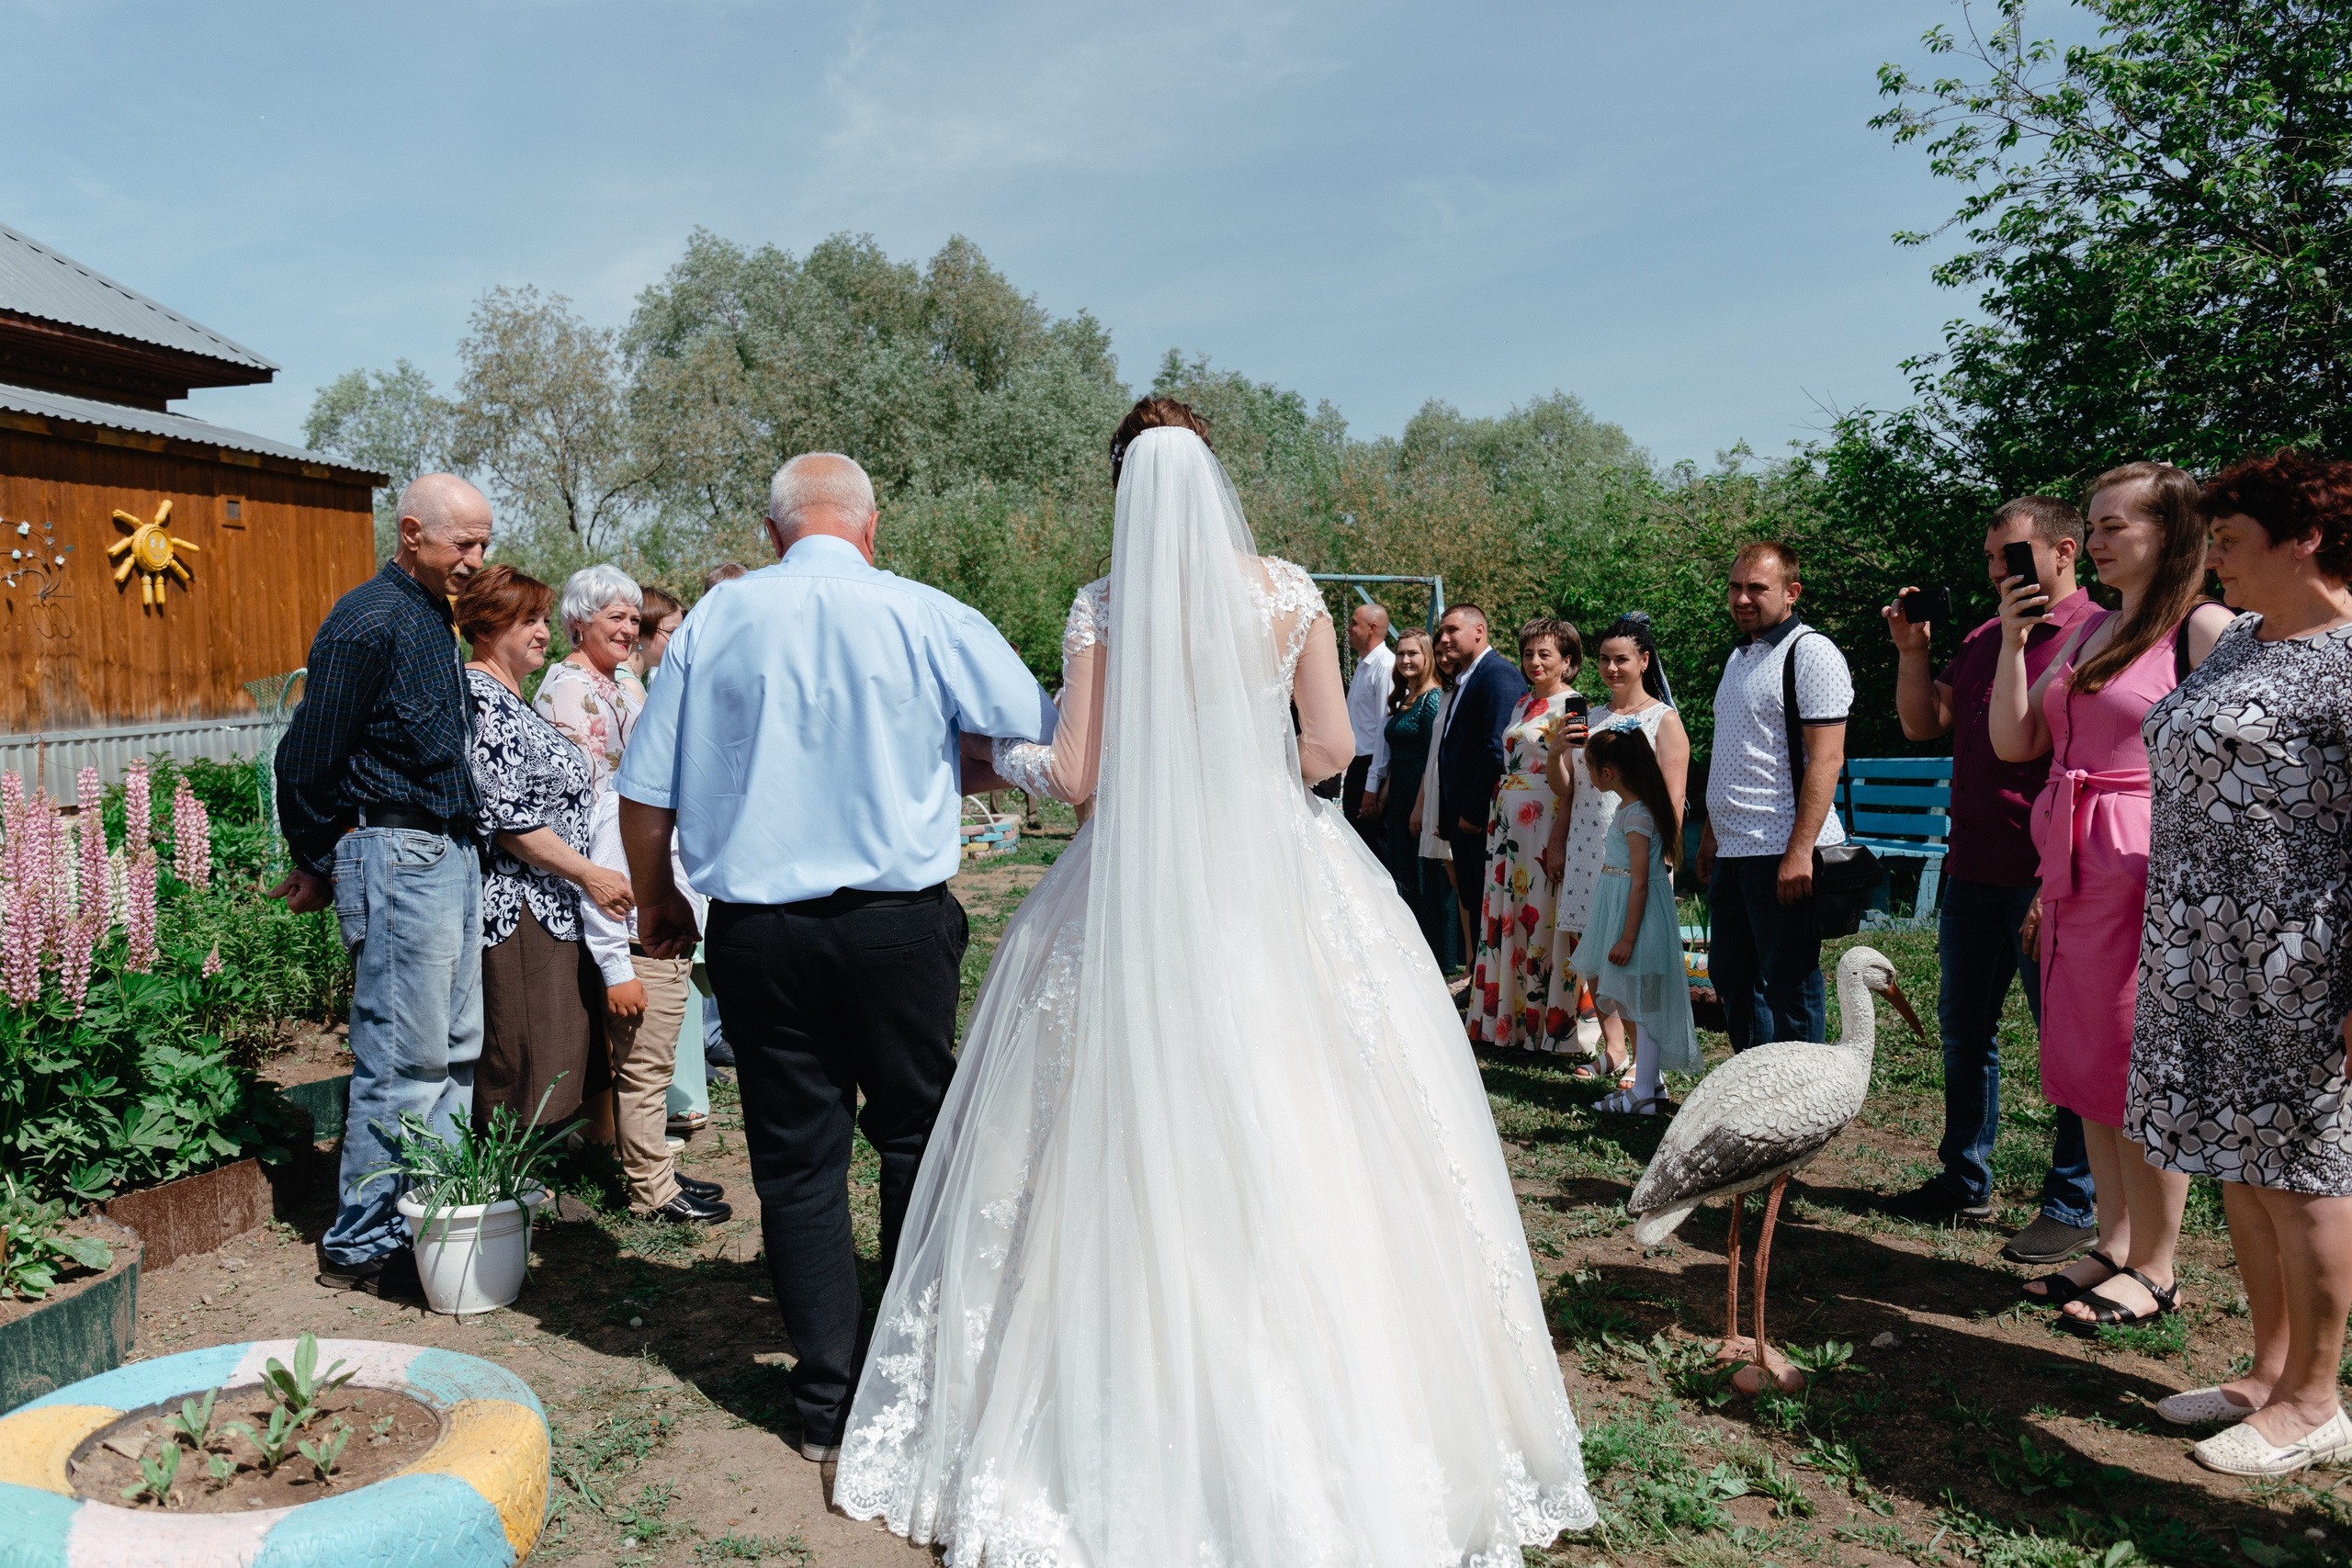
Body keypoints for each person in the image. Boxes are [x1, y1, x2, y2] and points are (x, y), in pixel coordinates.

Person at [831, 401, 1592, 1563]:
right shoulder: (1289, 593)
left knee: (1111, 1121)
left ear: (1125, 486)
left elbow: (1080, 776)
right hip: (1278, 871)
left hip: (1128, 876)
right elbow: (1332, 751)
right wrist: (1235, 776)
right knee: (1325, 1105)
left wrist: (994, 760)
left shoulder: (1103, 601)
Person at [616, 451, 1057, 1461]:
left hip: (762, 932)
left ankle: (825, 1405)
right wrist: (937, 759)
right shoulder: (927, 613)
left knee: (797, 1161)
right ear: (870, 528)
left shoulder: (718, 619)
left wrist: (658, 899)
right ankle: (906, 1386)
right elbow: (1034, 733)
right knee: (913, 1139)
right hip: (897, 922)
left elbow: (646, 790)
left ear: (774, 534)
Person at [2132, 451, 2352, 1474]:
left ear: (2303, 538)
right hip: (2200, 947)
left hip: (2299, 960)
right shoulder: (2240, 644)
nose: (2211, 559)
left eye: (2228, 541)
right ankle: (2266, 1376)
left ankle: (2315, 1401)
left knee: (2304, 1174)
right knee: (2239, 1164)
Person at [1988, 462, 2230, 1328]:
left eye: (2113, 525)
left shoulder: (2204, 628)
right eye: (2090, 525)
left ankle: (2160, 1269)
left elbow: (2235, 771)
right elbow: (2017, 740)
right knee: (2086, 1062)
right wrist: (2016, 645)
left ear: (2170, 534)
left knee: (2142, 1062)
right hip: (2075, 864)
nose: (2094, 541)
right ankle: (2117, 1242)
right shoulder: (2095, 631)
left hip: (2148, 868)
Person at [273, 473, 490, 1301]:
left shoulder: (432, 616)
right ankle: (363, 1242)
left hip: (447, 851)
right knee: (404, 1061)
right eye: (463, 542)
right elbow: (305, 757)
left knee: (454, 1052)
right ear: (410, 532)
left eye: (483, 542)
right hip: (399, 851)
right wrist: (322, 855)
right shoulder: (369, 620)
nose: (476, 558)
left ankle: (430, 1214)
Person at [1872, 499, 2105, 1263]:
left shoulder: (2099, 636)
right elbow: (1922, 723)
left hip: (2049, 874)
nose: (1997, 570)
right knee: (1964, 1031)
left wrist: (2057, 879)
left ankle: (2075, 1200)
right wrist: (1913, 649)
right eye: (1990, 558)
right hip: (1972, 868)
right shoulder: (1982, 638)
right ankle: (1963, 1175)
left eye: (2010, 554)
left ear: (2063, 551)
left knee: (2063, 1043)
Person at [458, 566, 636, 1134]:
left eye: (541, 619)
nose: (542, 632)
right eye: (527, 620)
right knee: (525, 1050)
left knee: (558, 1046)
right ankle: (512, 1188)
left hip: (554, 903)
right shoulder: (481, 697)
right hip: (519, 906)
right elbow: (509, 819)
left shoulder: (512, 698)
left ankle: (547, 1182)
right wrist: (592, 875)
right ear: (487, 629)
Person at [1696, 543, 1852, 1054]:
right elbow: (1733, 752)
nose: (1742, 598)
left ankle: (1804, 1106)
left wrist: (1800, 850)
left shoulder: (1811, 653)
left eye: (1756, 588)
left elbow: (1827, 760)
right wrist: (1712, 835)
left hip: (1781, 848)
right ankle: (1757, 1090)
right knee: (1732, 976)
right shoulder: (1740, 656)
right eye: (1735, 587)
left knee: (1790, 985)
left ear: (1791, 592)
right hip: (1736, 850)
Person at [1542, 613, 1688, 1075]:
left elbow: (1674, 797)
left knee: (1634, 956)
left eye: (1621, 659)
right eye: (1604, 659)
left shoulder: (1663, 720)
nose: (1611, 668)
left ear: (1644, 661)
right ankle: (1615, 1050)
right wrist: (1557, 753)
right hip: (1587, 846)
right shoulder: (1590, 717)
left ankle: (1648, 1064)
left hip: (1635, 854)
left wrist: (1667, 857)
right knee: (1592, 948)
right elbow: (1568, 790)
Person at [580, 786, 729, 1223]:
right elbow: (603, 894)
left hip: (666, 955)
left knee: (657, 1075)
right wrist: (617, 971)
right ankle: (652, 1194)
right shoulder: (620, 806)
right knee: (644, 1079)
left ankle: (657, 1171)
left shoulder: (670, 804)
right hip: (638, 958)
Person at [1573, 722, 1702, 1114]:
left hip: (1636, 915)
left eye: (1590, 768)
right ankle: (1649, 1083)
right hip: (1618, 905)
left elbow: (1642, 882)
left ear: (1608, 774)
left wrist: (1627, 938)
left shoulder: (1638, 817)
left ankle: (1644, 1091)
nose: (1589, 776)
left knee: (1643, 1000)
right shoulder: (1631, 808)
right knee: (1629, 994)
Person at [1466, 619, 1583, 1051]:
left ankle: (1550, 1027)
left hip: (1546, 820)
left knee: (1544, 912)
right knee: (1510, 913)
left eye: (1545, 654)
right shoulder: (1520, 705)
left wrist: (1559, 838)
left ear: (1567, 662)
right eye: (1529, 653)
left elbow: (1577, 780)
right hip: (1509, 825)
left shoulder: (1574, 705)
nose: (1534, 662)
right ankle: (1509, 1021)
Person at [1435, 604, 1531, 978]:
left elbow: (1497, 749)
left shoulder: (1499, 677)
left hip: (1485, 818)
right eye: (1440, 632)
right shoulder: (1466, 678)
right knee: (1475, 902)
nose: (1443, 638)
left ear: (1479, 630)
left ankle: (1493, 989)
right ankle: (1484, 991)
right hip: (1465, 818)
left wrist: (1473, 813)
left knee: (1490, 908)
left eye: (1451, 630)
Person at [1370, 629, 1451, 964]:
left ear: (1427, 656)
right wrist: (1383, 796)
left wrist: (1420, 806)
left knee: (1426, 873)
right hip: (1399, 794)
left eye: (1412, 654)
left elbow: (1433, 758)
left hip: (1421, 794)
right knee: (1402, 867)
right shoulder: (1405, 699)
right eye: (1400, 653)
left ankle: (1440, 954)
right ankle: (1411, 942)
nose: (1404, 660)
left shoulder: (1432, 699)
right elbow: (1398, 754)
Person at [537, 564, 646, 798]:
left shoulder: (610, 683)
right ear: (579, 622)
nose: (628, 630)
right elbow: (583, 788)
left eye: (634, 620)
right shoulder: (571, 686)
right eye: (616, 617)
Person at [1409, 638, 1466, 978]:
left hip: (1454, 795)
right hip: (1435, 789)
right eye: (1440, 653)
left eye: (1449, 653)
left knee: (1465, 884)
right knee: (1455, 879)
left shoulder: (1451, 695)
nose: (1445, 658)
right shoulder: (1445, 694)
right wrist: (1422, 803)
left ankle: (1469, 958)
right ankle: (1472, 961)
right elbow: (1432, 755)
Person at [1343, 602, 1395, 852]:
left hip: (1371, 767)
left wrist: (1371, 787)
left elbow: (1383, 731)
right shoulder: (1364, 666)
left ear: (1372, 628)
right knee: (1355, 844)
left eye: (1354, 622)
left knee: (1373, 848)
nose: (1348, 628)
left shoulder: (1385, 667)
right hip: (1357, 766)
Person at [632, 583, 684, 682]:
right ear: (639, 632)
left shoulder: (630, 679)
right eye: (672, 632)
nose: (679, 642)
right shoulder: (629, 685)